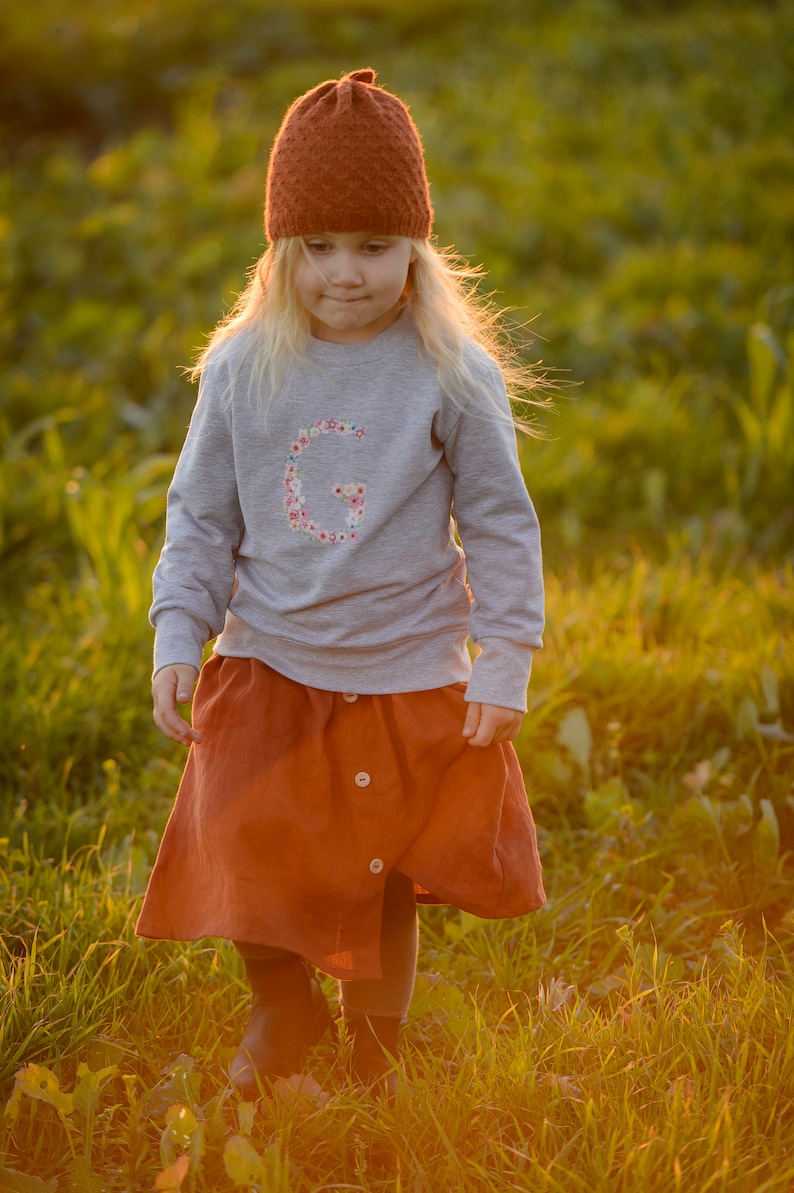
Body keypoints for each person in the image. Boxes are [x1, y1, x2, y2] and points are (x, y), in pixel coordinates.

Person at [136, 68, 546, 1100]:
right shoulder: (241, 368)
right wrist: (178, 633)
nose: (346, 273)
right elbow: (200, 516)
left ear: (418, 246)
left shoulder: (451, 373)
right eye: (317, 247)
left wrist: (503, 658)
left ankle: (375, 1041)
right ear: (280, 251)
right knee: (252, 838)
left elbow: (499, 519)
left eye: (374, 245)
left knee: (382, 871)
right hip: (270, 654)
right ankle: (281, 1003)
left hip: (407, 667)